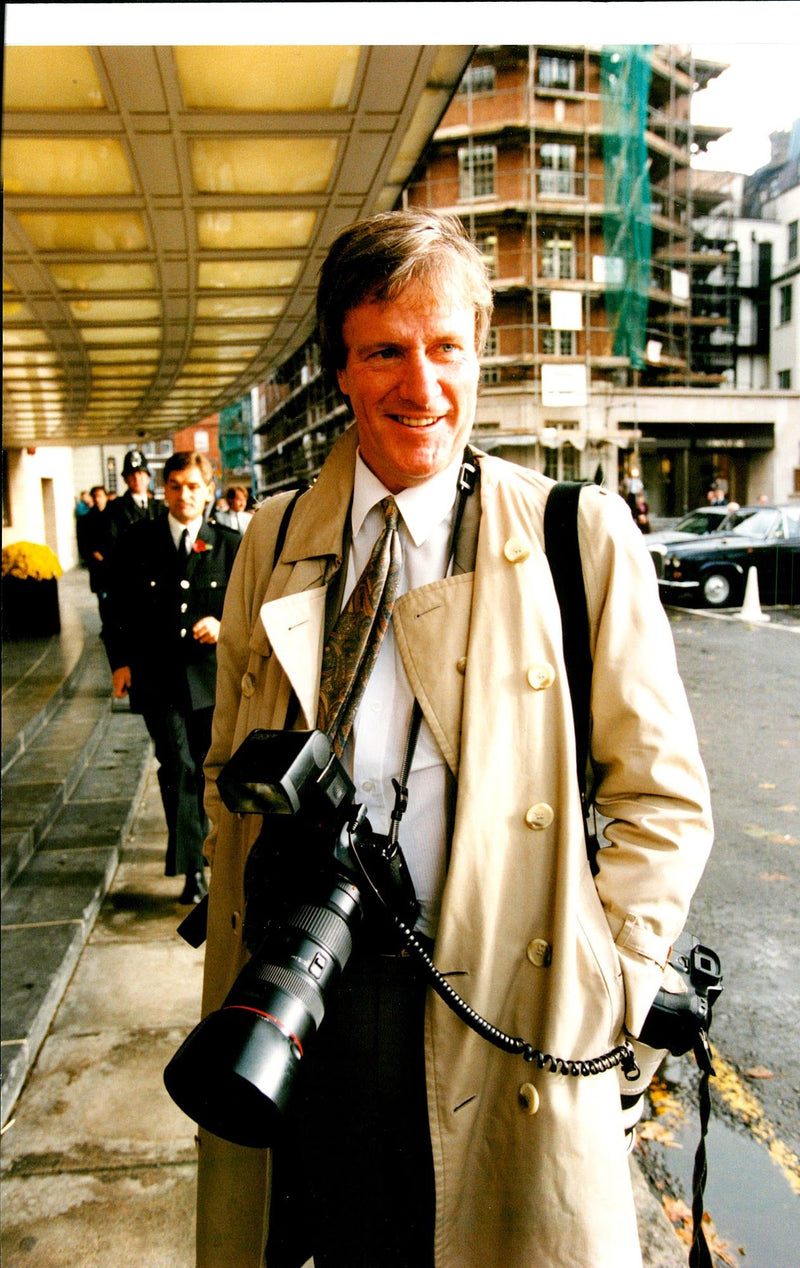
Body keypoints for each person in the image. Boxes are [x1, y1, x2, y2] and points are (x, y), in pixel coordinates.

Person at [195, 211, 713, 1268]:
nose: (418, 385)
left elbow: (661, 798)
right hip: (313, 995)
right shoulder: (275, 536)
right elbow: (221, 769)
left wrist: (606, 978)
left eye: (445, 347)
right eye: (384, 349)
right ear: (340, 366)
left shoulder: (576, 533)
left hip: (502, 999)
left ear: (480, 347)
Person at [106, 451, 241, 905]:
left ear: (209, 491)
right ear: (165, 490)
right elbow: (117, 608)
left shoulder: (229, 545)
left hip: (211, 681)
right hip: (157, 678)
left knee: (208, 768)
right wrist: (119, 662)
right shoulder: (137, 541)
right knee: (179, 766)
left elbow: (253, 608)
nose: (185, 495)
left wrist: (225, 627)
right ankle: (193, 871)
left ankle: (211, 850)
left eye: (194, 486)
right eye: (176, 486)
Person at [76, 484, 114, 649]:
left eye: (101, 495)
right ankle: (106, 626)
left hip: (114, 562)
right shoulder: (87, 518)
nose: (98, 499)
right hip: (98, 564)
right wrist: (93, 553)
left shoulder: (113, 515)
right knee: (102, 597)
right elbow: (83, 541)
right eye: (95, 496)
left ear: (106, 497)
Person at [108, 448, 160, 540]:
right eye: (132, 474)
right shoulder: (115, 508)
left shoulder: (159, 508)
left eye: (140, 473)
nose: (137, 479)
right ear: (125, 479)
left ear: (148, 477)